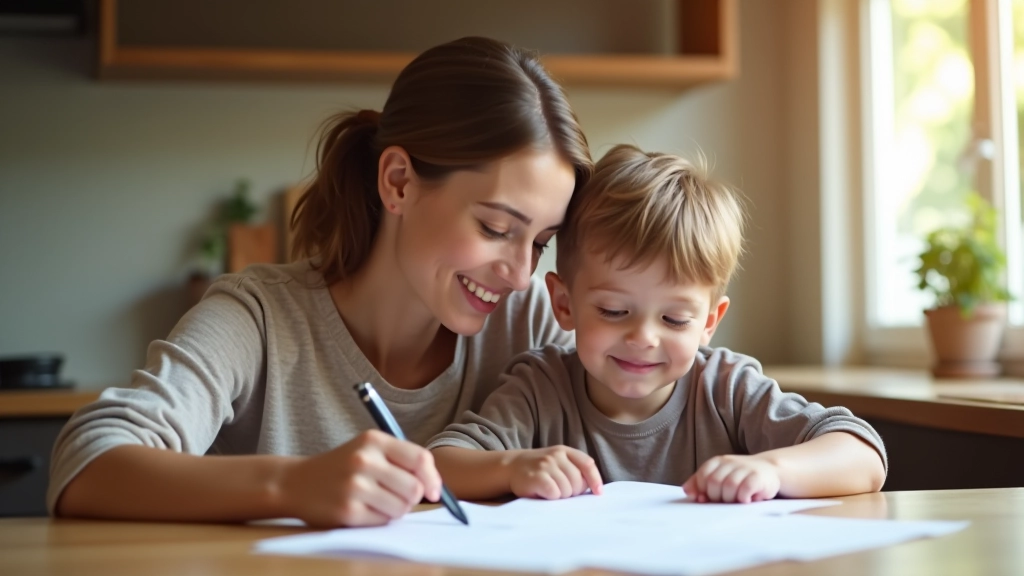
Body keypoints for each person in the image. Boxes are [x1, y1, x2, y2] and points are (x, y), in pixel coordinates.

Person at [49, 37, 593, 527]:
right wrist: (292, 485)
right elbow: (89, 459)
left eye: (541, 242)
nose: (522, 275)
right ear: (398, 182)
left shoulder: (528, 323)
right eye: (496, 228)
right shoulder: (259, 318)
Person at [428, 145, 887, 503]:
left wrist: (774, 471)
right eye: (613, 311)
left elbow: (863, 455)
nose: (644, 338)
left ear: (709, 322)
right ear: (564, 304)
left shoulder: (725, 387)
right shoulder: (539, 388)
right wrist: (511, 467)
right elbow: (440, 463)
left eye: (674, 318)